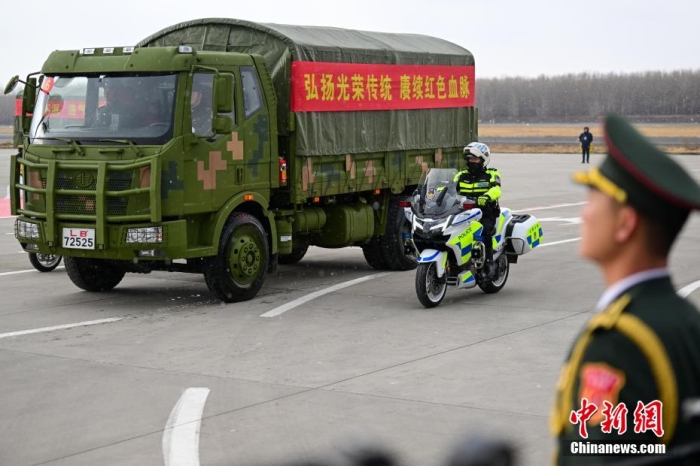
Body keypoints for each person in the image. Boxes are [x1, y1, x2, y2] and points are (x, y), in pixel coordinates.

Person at [550, 114, 700, 465]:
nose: (584, 216)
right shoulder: (687, 322)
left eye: (592, 202)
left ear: (625, 223)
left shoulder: (620, 342)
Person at [454, 142, 502, 278]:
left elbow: (497, 189)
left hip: (486, 212)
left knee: (484, 231)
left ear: (483, 159)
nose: (472, 162)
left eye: (475, 159)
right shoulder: (461, 175)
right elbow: (450, 188)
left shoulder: (491, 174)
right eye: (470, 159)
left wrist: (486, 196)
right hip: (464, 211)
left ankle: (489, 263)